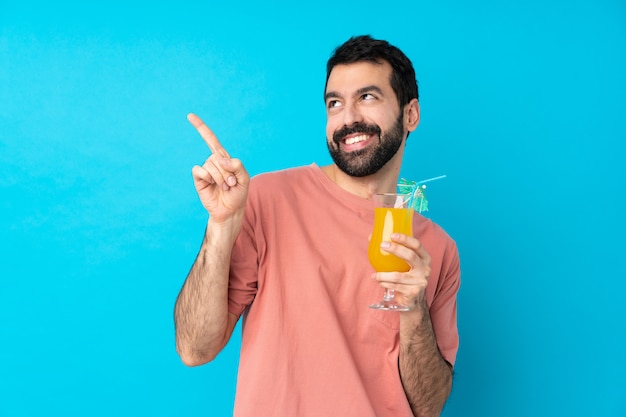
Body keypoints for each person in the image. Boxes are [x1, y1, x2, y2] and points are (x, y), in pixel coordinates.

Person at [174, 35, 461, 417]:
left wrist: (412, 311)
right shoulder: (267, 199)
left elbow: (428, 407)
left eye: (368, 97)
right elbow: (195, 349)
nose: (348, 118)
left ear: (411, 115)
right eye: (334, 103)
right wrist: (222, 224)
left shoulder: (438, 249)